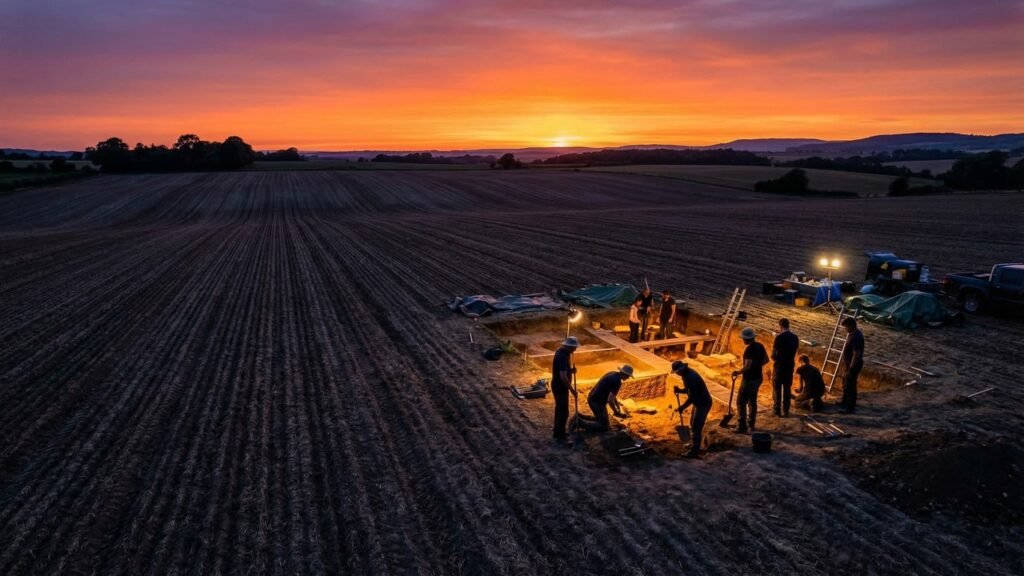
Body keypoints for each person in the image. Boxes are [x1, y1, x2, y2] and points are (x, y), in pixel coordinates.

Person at [731, 327, 768, 433]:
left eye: (743, 338)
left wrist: (737, 372)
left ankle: (742, 426)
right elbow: (766, 360)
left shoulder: (749, 350)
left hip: (749, 379)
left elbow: (747, 366)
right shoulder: (760, 346)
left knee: (741, 402)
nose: (742, 340)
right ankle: (751, 424)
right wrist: (757, 366)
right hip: (758, 378)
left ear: (746, 339)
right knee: (752, 401)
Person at [672, 360, 712, 458]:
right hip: (698, 402)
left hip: (703, 403)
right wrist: (680, 390)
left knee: (696, 427)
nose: (677, 374)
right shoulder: (686, 375)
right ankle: (693, 444)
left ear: (681, 369)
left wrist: (682, 407)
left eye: (677, 372)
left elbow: (692, 396)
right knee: (692, 423)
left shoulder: (691, 377)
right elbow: (690, 390)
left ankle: (694, 451)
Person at [585, 365, 633, 432]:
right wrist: (615, 412)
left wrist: (617, 406)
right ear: (624, 374)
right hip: (596, 402)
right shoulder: (617, 382)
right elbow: (610, 400)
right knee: (604, 426)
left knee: (603, 419)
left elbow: (612, 394)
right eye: (628, 376)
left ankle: (581, 417)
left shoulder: (613, 373)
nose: (628, 378)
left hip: (593, 397)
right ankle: (580, 422)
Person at [550, 336, 579, 441]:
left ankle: (558, 430)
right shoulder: (562, 356)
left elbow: (561, 370)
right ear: (569, 346)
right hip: (560, 387)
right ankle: (559, 434)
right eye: (574, 347)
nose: (575, 350)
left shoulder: (561, 352)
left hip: (557, 385)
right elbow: (562, 376)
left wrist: (570, 371)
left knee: (560, 409)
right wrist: (572, 390)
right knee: (563, 411)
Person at [771, 318, 799, 417]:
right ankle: (786, 410)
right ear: (788, 325)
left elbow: (773, 355)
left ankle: (777, 410)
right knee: (787, 389)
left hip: (779, 367)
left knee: (777, 388)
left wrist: (776, 359)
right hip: (789, 366)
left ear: (780, 326)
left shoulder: (779, 338)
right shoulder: (795, 337)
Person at [839, 317, 865, 413]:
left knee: (850, 386)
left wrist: (851, 369)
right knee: (845, 383)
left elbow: (856, 354)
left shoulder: (856, 337)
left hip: (853, 366)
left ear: (851, 326)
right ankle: (844, 402)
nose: (845, 329)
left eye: (846, 327)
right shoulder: (852, 334)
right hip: (848, 365)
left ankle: (849, 408)